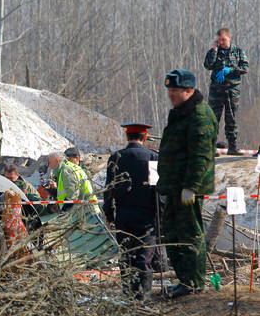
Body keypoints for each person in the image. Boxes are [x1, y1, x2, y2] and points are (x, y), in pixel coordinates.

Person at [157, 69, 217, 298]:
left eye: (175, 90)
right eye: (170, 89)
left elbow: (200, 156)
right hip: (174, 186)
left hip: (187, 188)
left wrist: (190, 186)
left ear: (189, 91)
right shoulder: (182, 112)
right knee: (171, 234)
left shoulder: (199, 116)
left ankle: (193, 283)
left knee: (190, 235)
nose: (171, 94)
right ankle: (185, 280)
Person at [104, 123, 160, 301]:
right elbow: (158, 189)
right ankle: (143, 297)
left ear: (127, 137)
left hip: (123, 214)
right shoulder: (152, 157)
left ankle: (128, 295)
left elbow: (109, 189)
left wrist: (109, 214)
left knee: (125, 255)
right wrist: (161, 215)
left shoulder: (116, 157)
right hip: (147, 215)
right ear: (144, 137)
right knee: (143, 256)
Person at [203, 27, 248, 155]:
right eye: (219, 40)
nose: (221, 42)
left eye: (223, 40)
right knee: (213, 118)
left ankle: (232, 147)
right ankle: (211, 147)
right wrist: (214, 50)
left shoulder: (238, 52)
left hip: (232, 90)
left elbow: (245, 67)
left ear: (229, 38)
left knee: (231, 118)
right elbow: (207, 65)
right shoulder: (215, 52)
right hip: (216, 91)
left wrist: (231, 70)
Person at [49, 147, 100, 214]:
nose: (49, 165)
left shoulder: (66, 170)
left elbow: (72, 194)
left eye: (50, 162)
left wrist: (64, 211)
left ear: (57, 160)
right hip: (87, 209)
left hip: (83, 212)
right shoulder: (69, 168)